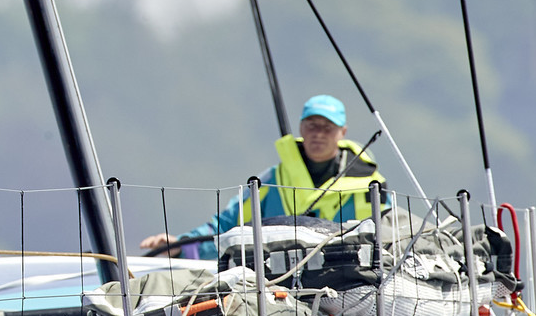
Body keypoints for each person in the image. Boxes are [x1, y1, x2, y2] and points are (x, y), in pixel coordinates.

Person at [140, 95, 386, 259]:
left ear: (342, 132)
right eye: (312, 125)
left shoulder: (370, 184)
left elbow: (389, 235)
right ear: (301, 128)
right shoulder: (270, 180)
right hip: (276, 284)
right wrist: (180, 246)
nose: (318, 134)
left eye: (327, 127)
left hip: (344, 285)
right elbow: (225, 227)